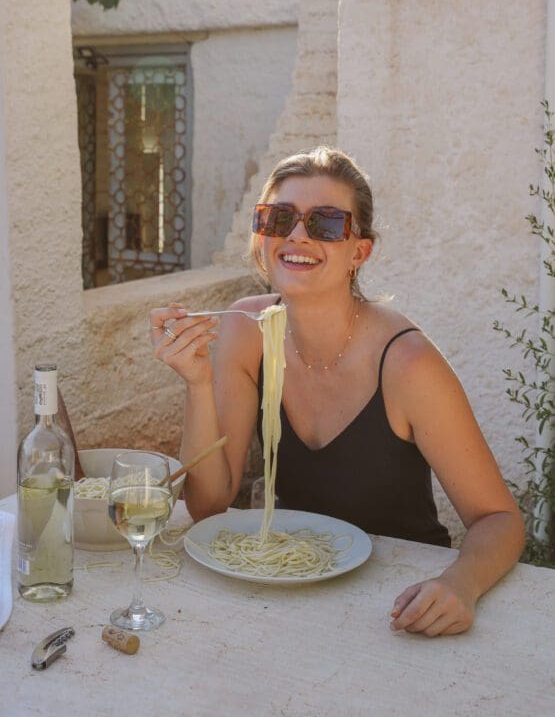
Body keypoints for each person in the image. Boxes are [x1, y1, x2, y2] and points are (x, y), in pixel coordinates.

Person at [150, 146, 524, 638]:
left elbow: (498, 519)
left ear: (359, 251)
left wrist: (460, 584)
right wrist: (197, 384)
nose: (297, 235)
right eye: (279, 218)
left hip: (394, 605)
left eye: (325, 223)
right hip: (288, 586)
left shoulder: (408, 364)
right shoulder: (247, 330)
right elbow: (209, 505)